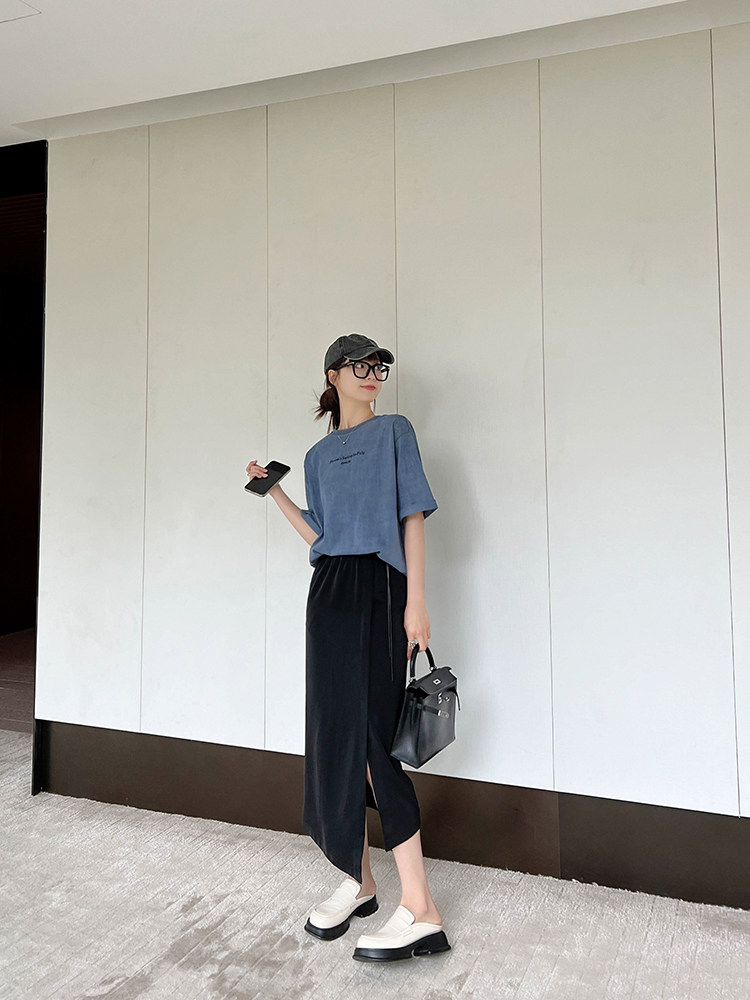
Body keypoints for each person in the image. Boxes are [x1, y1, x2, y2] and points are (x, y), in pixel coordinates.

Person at [245, 332, 451, 963]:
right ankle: (357, 879)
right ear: (333, 375)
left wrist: (416, 600)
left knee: (374, 741)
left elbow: (411, 515)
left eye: (379, 367)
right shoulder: (315, 455)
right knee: (334, 736)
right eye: (359, 365)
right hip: (329, 592)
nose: (372, 375)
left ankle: (421, 908)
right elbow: (320, 534)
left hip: (381, 588)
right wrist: (276, 493)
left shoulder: (395, 432)